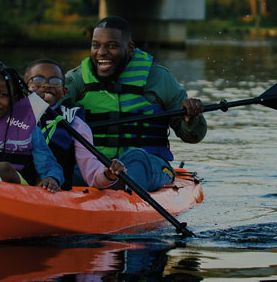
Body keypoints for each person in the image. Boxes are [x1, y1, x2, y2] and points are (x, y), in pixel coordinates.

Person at [63, 16, 207, 192]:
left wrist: (191, 119)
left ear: (130, 48)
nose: (101, 52)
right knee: (63, 163)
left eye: (112, 46)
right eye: (96, 45)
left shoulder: (160, 78)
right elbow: (47, 113)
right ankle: (106, 183)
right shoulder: (75, 80)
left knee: (136, 158)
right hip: (93, 168)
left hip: (146, 165)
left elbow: (193, 135)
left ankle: (119, 186)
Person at [23, 58, 126, 190]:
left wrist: (108, 174)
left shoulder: (75, 124)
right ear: (25, 89)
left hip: (55, 193)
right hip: (15, 184)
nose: (46, 85)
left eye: (55, 81)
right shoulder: (11, 115)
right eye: (38, 80)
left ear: (64, 92)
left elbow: (92, 174)